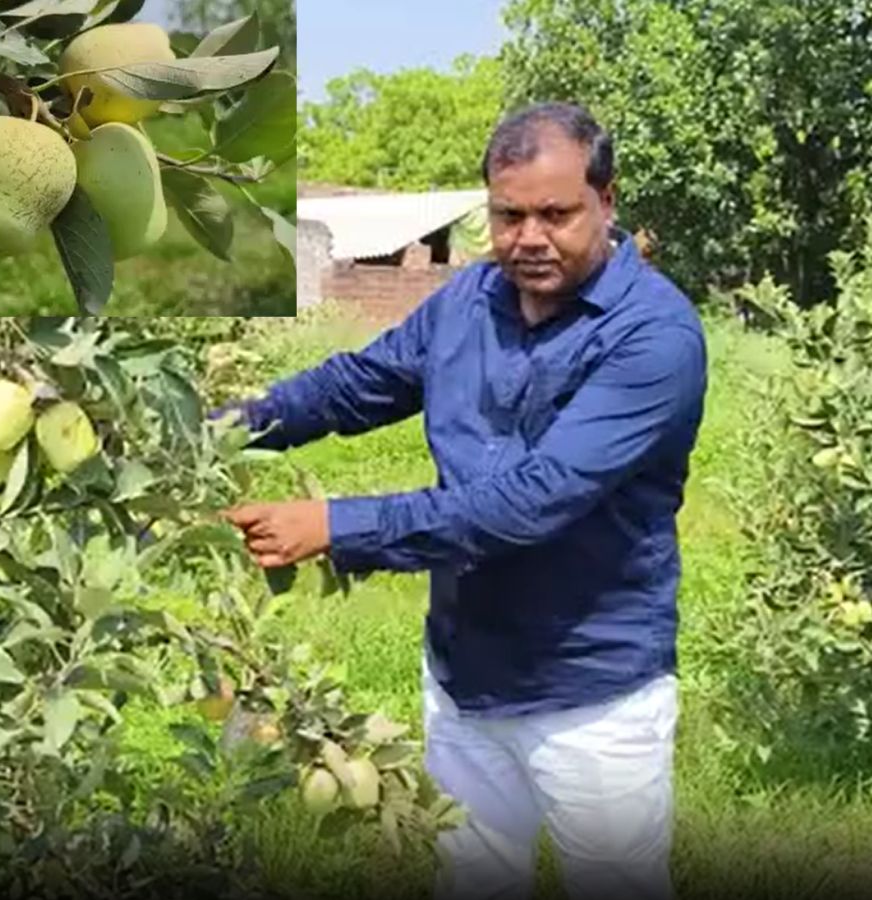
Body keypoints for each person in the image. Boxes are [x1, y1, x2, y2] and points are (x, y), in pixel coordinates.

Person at [216, 101, 707, 900]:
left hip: (592, 695)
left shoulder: (653, 337)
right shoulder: (469, 300)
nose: (529, 238)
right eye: (508, 216)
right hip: (463, 675)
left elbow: (530, 501)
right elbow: (356, 386)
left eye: (556, 213)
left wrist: (336, 525)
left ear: (607, 201)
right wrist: (213, 432)